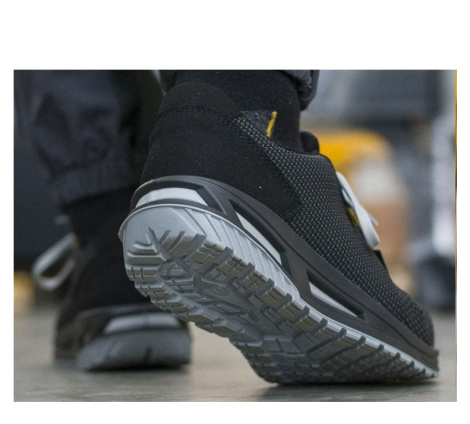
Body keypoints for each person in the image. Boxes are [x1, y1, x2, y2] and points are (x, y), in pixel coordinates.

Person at [15, 70, 438, 383]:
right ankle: (248, 112)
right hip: (243, 130)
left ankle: (111, 246)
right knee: (236, 87)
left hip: (104, 202)